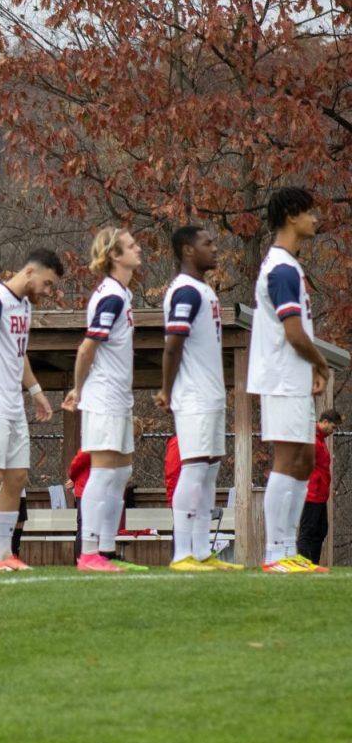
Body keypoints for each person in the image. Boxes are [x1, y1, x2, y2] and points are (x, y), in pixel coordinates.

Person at [0, 248, 61, 572]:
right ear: (30, 272)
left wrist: (36, 391)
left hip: (14, 404)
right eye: (47, 283)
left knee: (17, 477)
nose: (48, 291)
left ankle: (4, 553)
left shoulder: (26, 306)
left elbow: (20, 353)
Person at [248, 188, 331, 574]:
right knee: (288, 459)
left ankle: (289, 549)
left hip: (293, 377)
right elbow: (294, 332)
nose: (316, 219)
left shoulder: (290, 266)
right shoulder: (280, 268)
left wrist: (311, 367)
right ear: (292, 216)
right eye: (310, 212)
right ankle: (275, 554)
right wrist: (321, 362)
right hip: (281, 376)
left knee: (306, 458)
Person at [154, 225, 241, 572]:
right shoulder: (186, 292)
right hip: (193, 396)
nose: (215, 249)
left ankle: (203, 551)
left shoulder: (203, 290)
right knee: (193, 466)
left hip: (211, 392)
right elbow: (173, 344)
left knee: (210, 468)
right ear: (188, 250)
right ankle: (182, 554)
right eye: (208, 244)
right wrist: (166, 388)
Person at [62, 227, 142, 573]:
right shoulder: (110, 296)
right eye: (131, 245)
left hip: (119, 396)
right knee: (103, 472)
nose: (138, 249)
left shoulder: (123, 295)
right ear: (114, 255)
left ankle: (107, 550)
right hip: (104, 395)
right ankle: (90, 552)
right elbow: (87, 346)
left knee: (121, 470)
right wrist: (79, 390)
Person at [299, 410, 341, 563]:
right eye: (333, 427)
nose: (333, 431)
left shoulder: (321, 440)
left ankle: (313, 563)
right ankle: (305, 564)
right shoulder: (312, 439)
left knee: (321, 530)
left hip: (321, 494)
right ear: (324, 422)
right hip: (311, 493)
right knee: (308, 531)